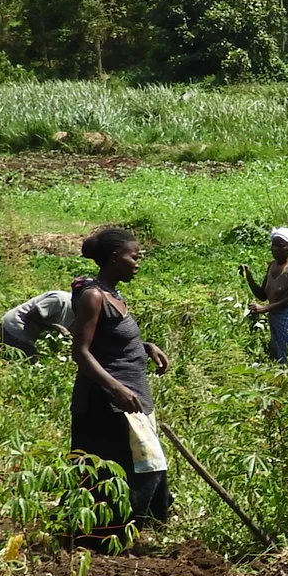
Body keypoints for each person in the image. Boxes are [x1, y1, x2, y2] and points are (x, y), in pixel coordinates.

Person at [70, 224, 172, 528]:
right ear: (115, 257)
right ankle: (112, 531)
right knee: (137, 467)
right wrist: (116, 388)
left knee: (139, 466)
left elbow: (109, 341)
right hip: (107, 402)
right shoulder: (93, 297)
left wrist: (145, 347)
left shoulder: (114, 295)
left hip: (129, 397)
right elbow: (81, 352)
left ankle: (131, 527)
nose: (137, 263)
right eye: (133, 257)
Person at [241, 227, 288, 363]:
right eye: (274, 245)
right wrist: (248, 276)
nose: (276, 248)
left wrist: (264, 309)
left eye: (281, 245)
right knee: (284, 359)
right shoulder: (272, 266)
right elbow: (262, 295)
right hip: (276, 319)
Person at [0, 288, 72, 358]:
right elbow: (32, 315)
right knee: (32, 361)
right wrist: (54, 327)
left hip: (29, 336)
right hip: (14, 329)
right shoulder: (60, 299)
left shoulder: (79, 311)